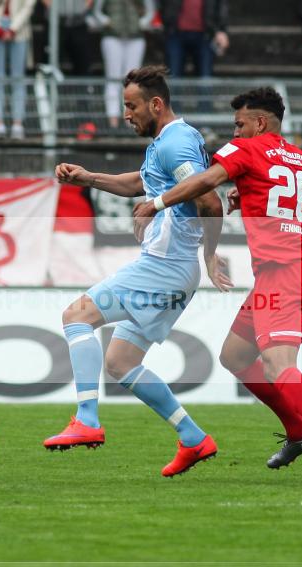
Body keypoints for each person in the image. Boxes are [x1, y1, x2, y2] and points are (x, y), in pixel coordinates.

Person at [133, 87, 302, 486]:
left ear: (260, 122)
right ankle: (298, 432)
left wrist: (157, 202)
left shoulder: (247, 150)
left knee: (279, 366)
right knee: (235, 355)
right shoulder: (300, 158)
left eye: (239, 124)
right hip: (299, 268)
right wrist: (255, 193)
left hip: (283, 273)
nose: (235, 133)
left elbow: (205, 181)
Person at [48, 66, 229, 477]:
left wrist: (208, 254)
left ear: (156, 104)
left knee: (76, 316)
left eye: (131, 107)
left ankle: (87, 420)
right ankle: (193, 438)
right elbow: (141, 185)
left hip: (166, 266)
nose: (126, 114)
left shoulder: (177, 143)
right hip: (172, 269)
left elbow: (209, 199)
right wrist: (89, 177)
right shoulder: (167, 141)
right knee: (120, 361)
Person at [95, 0, 150, 130]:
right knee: (112, 77)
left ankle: (130, 119)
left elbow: (150, 9)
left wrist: (143, 22)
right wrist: (106, 21)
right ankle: (112, 119)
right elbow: (96, 11)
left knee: (132, 80)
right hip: (112, 35)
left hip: (135, 35)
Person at [0, 0, 36, 139]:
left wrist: (13, 28)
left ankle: (17, 124)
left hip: (20, 30)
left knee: (18, 78)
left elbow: (28, 6)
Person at [160, 0, 229, 78]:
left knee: (205, 80)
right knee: (173, 78)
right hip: (175, 34)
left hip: (205, 35)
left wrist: (221, 29)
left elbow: (221, 5)